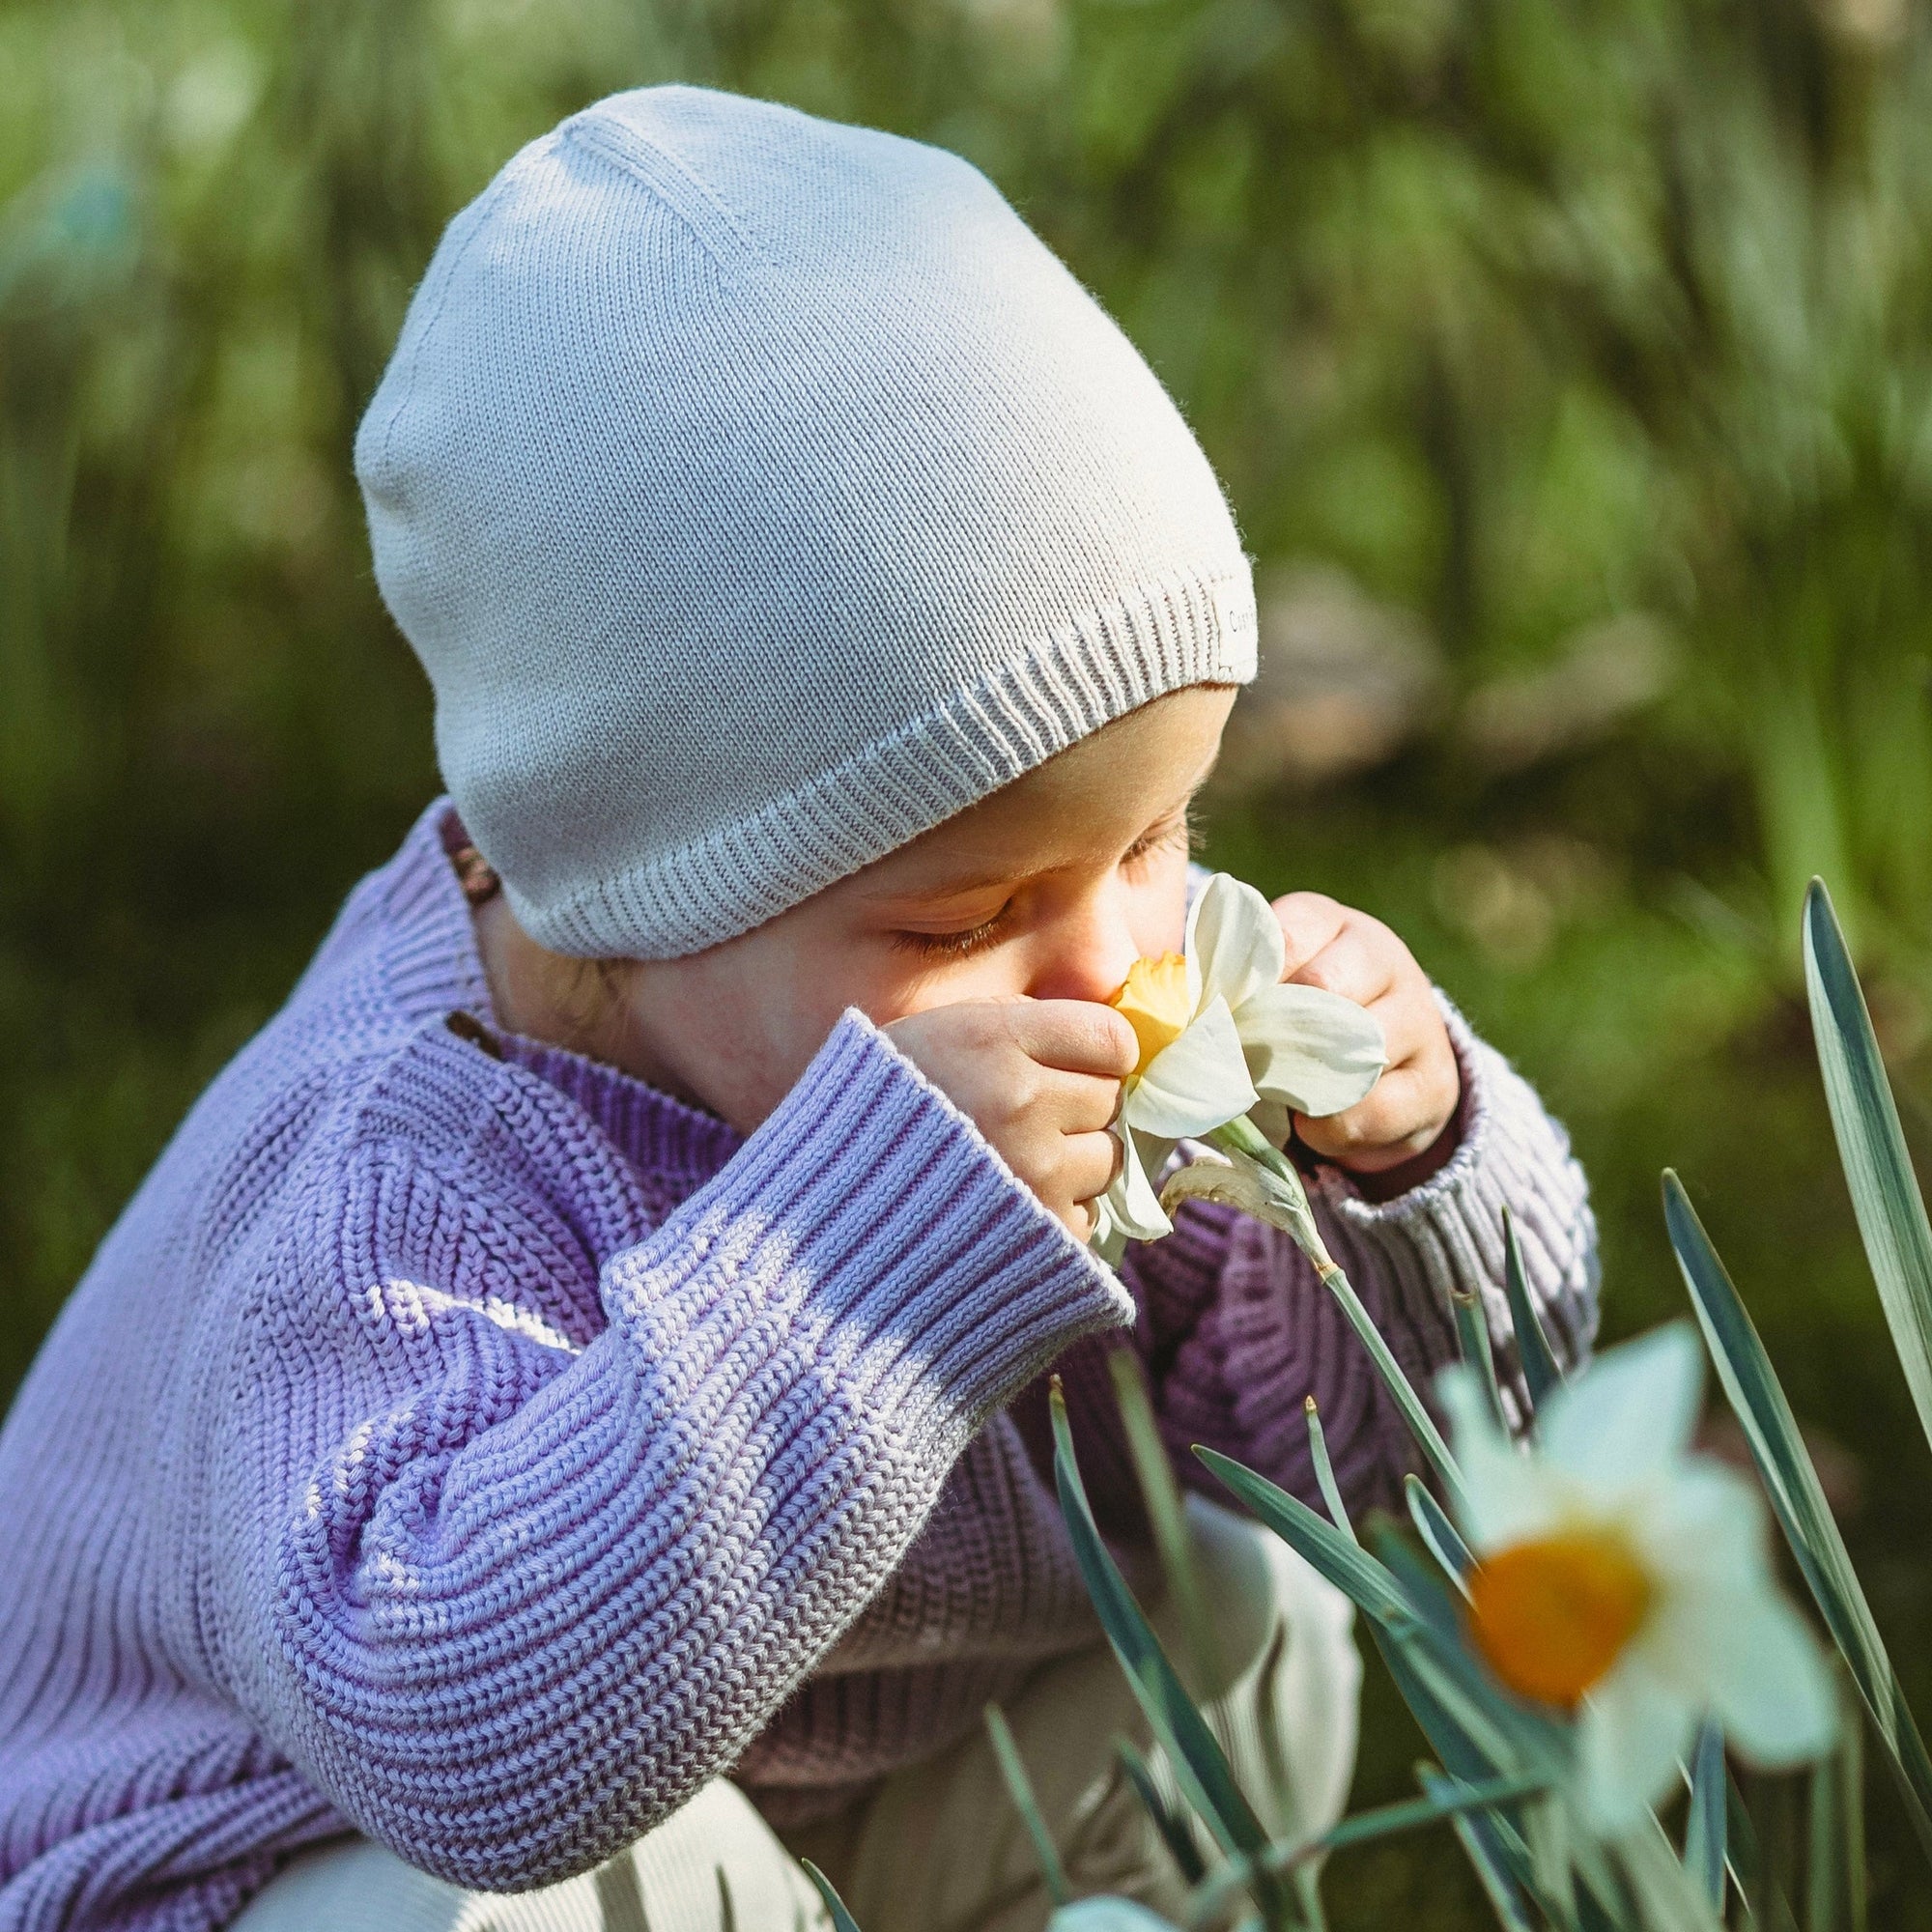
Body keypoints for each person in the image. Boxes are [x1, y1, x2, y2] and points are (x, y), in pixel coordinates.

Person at [0, 85, 1598, 1932]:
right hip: (295, 1857)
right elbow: (474, 1750)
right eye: (967, 913)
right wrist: (858, 1267)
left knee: (1254, 1608)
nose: (1107, 961)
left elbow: (1373, 1446)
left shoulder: (1029, 1002)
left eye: (1160, 831)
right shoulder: (389, 1182)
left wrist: (1400, 1179)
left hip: (798, 1787)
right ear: (632, 889)